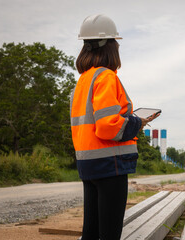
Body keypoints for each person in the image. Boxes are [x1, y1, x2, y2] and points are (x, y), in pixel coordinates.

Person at [70, 14, 159, 240]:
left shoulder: (83, 80)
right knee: (110, 234)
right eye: (116, 42)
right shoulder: (106, 77)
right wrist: (138, 122)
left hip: (87, 165)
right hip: (110, 165)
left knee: (90, 232)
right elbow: (108, 126)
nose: (118, 46)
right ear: (109, 45)